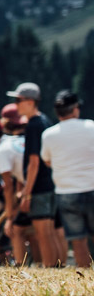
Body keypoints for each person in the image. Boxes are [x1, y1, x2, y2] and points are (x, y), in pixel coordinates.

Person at [9, 82, 62, 267]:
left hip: (38, 185)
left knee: (43, 233)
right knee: (49, 231)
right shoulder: (44, 121)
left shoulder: (32, 125)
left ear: (30, 101)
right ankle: (57, 267)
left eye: (18, 100)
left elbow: (33, 162)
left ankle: (50, 269)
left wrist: (27, 193)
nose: (16, 105)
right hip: (50, 182)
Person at [41, 90, 94, 268]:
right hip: (92, 186)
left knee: (78, 240)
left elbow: (47, 161)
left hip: (66, 191)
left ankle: (86, 278)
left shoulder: (48, 134)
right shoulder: (91, 126)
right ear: (76, 109)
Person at [0, 114, 31, 265]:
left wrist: (9, 216)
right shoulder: (17, 139)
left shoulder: (1, 150)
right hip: (42, 184)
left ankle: (21, 266)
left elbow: (8, 186)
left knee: (15, 228)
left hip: (33, 188)